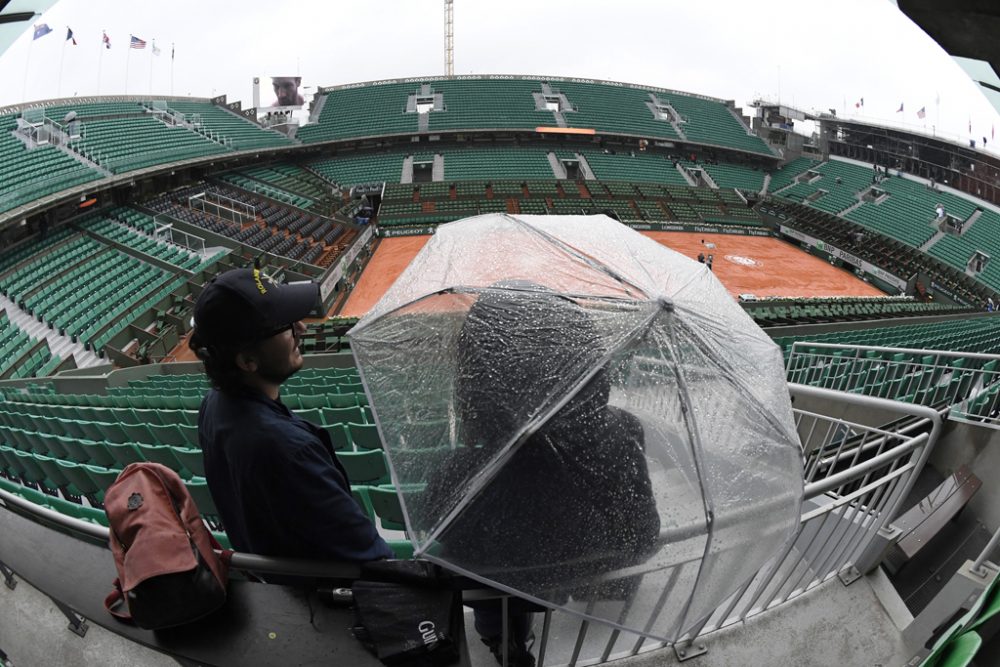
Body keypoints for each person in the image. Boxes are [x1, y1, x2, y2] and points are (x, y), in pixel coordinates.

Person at [426, 281, 660, 666]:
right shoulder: (624, 431)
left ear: (474, 378)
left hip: (502, 591)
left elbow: (444, 541)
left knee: (493, 586)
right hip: (582, 574)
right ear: (588, 361)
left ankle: (503, 641)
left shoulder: (461, 473)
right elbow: (644, 537)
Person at [189, 267, 392, 580]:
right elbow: (374, 560)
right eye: (285, 326)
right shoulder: (289, 451)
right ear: (247, 361)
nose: (301, 328)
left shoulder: (213, 404)